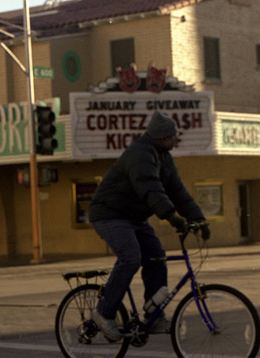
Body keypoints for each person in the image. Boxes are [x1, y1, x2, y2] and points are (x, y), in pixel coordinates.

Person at [88, 110, 210, 340]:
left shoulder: (164, 157)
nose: (175, 140)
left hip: (134, 218)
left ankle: (154, 314)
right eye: (173, 136)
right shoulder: (139, 154)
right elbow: (150, 188)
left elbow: (178, 192)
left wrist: (198, 218)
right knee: (131, 257)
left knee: (156, 256)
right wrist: (171, 216)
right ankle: (104, 313)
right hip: (109, 215)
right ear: (162, 137)